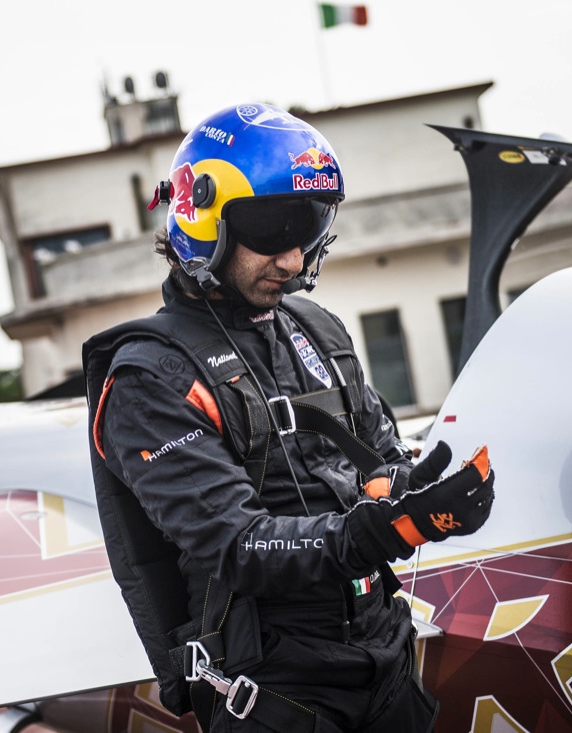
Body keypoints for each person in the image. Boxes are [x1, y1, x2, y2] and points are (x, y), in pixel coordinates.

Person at [84, 103, 494, 733]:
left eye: (309, 228)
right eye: (274, 230)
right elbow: (236, 544)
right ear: (203, 214)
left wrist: (416, 492)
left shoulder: (318, 331)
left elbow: (380, 459)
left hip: (385, 660)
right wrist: (378, 534)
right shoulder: (146, 379)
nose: (294, 260)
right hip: (274, 689)